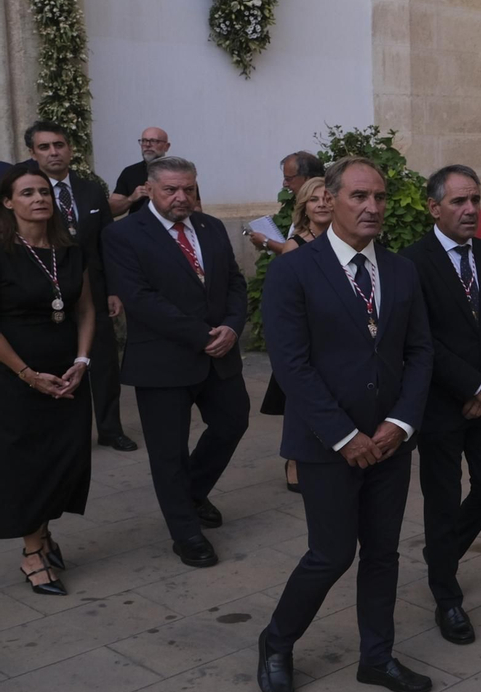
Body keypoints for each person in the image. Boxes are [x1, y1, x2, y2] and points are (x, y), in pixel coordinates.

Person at [257, 157, 435, 692]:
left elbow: (419, 350)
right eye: (359, 196)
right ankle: (277, 642)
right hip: (325, 444)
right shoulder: (294, 270)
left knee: (383, 554)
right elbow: (292, 365)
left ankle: (377, 658)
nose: (372, 207)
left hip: (389, 441)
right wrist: (344, 436)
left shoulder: (402, 270)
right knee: (331, 554)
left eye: (379, 197)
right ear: (328, 199)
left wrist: (400, 424)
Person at [102, 157, 249, 568]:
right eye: (171, 190)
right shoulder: (126, 235)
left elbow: (235, 283)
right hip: (163, 362)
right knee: (168, 452)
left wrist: (233, 328)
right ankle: (185, 532)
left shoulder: (211, 227)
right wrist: (204, 336)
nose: (181, 197)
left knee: (233, 421)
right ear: (149, 189)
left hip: (220, 355)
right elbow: (141, 299)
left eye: (189, 189)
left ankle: (192, 493)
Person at [401, 165, 481, 645]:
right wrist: (472, 386)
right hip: (441, 406)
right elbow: (421, 340)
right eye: (458, 202)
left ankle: (440, 554)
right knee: (442, 498)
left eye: (475, 199)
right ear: (434, 207)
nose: (471, 210)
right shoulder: (411, 263)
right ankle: (447, 596)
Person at [0, 166, 94, 596]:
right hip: (16, 374)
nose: (38, 198)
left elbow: (86, 309)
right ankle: (32, 552)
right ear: (8, 202)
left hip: (68, 372)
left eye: (43, 192)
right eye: (26, 193)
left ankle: (44, 533)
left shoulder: (69, 250)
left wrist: (82, 359)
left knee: (66, 460)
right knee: (28, 465)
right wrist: (26, 374)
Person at [24, 121, 136, 452]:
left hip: (95, 292)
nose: (53, 152)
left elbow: (107, 242)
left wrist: (115, 289)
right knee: (53, 362)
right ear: (33, 153)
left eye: (59, 144)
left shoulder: (90, 190)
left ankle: (110, 429)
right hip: (44, 295)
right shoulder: (27, 191)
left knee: (103, 365)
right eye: (44, 147)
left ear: (70, 149)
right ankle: (60, 434)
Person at [254, 177, 333, 493]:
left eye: (328, 198)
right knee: (300, 404)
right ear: (304, 208)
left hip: (337, 334)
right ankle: (295, 460)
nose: (323, 204)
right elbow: (287, 300)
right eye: (314, 200)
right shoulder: (294, 246)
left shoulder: (350, 240)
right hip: (308, 337)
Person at [109, 126, 169, 217]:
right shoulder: (130, 172)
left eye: (153, 141)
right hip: (137, 227)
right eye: (144, 141)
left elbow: (196, 210)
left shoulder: (179, 172)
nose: (147, 145)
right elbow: (111, 211)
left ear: (166, 146)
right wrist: (131, 199)